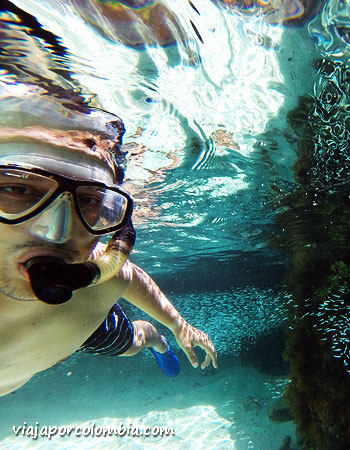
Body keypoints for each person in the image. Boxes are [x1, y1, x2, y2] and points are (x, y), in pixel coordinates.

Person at [0, 82, 217, 397]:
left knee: (133, 344)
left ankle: (157, 341)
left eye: (89, 201)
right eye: (19, 190)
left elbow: (126, 274)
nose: (56, 233)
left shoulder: (97, 284)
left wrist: (178, 326)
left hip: (80, 326)